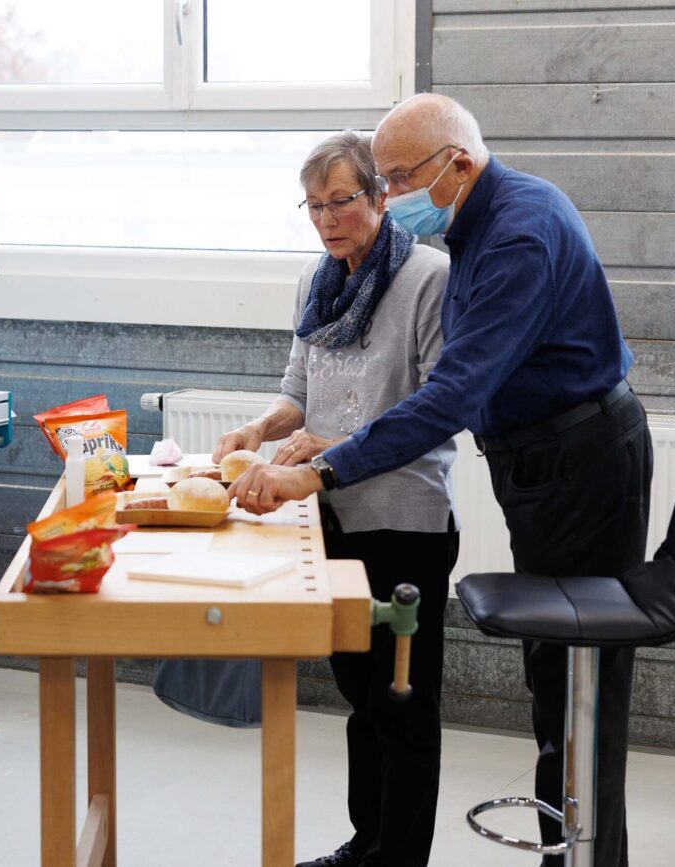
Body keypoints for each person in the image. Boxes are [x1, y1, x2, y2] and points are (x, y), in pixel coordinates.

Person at [227, 94, 652, 867]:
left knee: (579, 689)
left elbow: (449, 395)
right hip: (538, 464)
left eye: (392, 180)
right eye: (379, 180)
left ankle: (584, 858)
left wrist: (323, 466)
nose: (390, 197)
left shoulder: (515, 234)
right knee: (552, 679)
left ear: (456, 163)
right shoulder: (470, 227)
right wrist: (286, 445)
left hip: (579, 464)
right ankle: (527, 850)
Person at [211, 131, 458, 867]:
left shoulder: (429, 277)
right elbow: (300, 387)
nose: (327, 220)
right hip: (330, 514)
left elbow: (437, 408)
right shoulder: (316, 280)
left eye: (342, 201)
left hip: (404, 518)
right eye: (314, 205)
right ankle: (366, 842)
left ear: (381, 198)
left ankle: (399, 857)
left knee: (403, 699)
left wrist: (334, 444)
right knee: (360, 693)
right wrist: (259, 429)